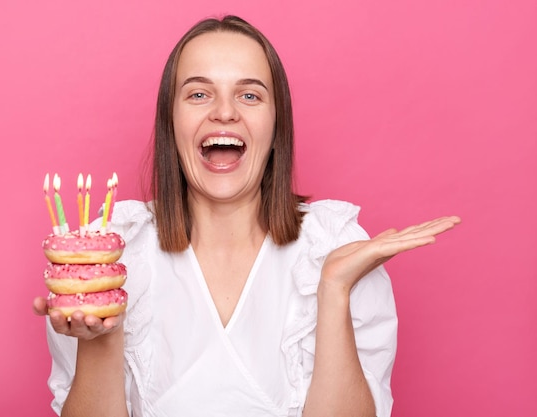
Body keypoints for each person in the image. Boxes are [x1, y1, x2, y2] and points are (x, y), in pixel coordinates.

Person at [33, 15, 460, 417]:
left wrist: (334, 289)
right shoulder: (107, 262)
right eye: (199, 93)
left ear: (276, 128)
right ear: (171, 123)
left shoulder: (335, 247)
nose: (224, 112)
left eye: (250, 95)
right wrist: (100, 337)